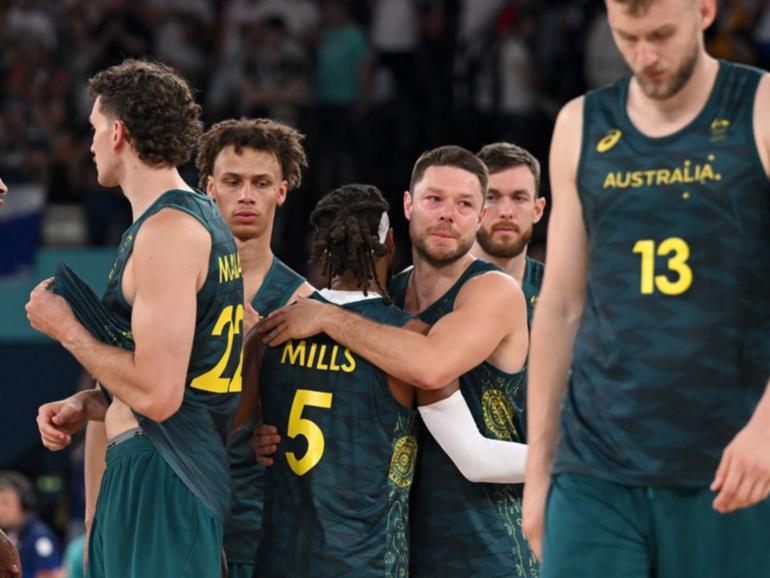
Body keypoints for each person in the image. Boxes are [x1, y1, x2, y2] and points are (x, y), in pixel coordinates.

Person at [523, 1, 770, 577]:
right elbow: (559, 308)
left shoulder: (758, 108)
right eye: (628, 36)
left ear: (704, 9)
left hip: (729, 464)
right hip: (594, 468)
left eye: (661, 34)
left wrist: (766, 428)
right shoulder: (581, 124)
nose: (646, 56)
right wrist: (538, 474)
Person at [258, 145, 537, 577]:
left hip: (485, 542)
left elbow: (430, 366)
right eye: (434, 199)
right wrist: (270, 432)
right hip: (401, 540)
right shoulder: (389, 298)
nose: (448, 214)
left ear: (480, 217)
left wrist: (329, 316)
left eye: (464, 204)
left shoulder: (491, 291)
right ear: (408, 205)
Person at [27, 59, 243, 578]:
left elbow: (158, 395)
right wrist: (90, 403)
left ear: (119, 132)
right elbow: (172, 375)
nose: (92, 144)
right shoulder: (182, 219)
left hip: (163, 472)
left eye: (96, 130)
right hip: (162, 466)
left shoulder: (168, 231)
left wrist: (65, 329)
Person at [195, 117, 313, 578]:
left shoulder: (305, 304)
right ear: (209, 187)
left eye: (261, 183)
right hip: (181, 516)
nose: (246, 195)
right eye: (233, 181)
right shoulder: (178, 288)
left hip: (264, 531)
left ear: (282, 191)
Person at [0, 472, 62, 578]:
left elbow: (51, 575)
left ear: (23, 503)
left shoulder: (39, 536)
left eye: (6, 503)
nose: (1, 510)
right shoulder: (9, 534)